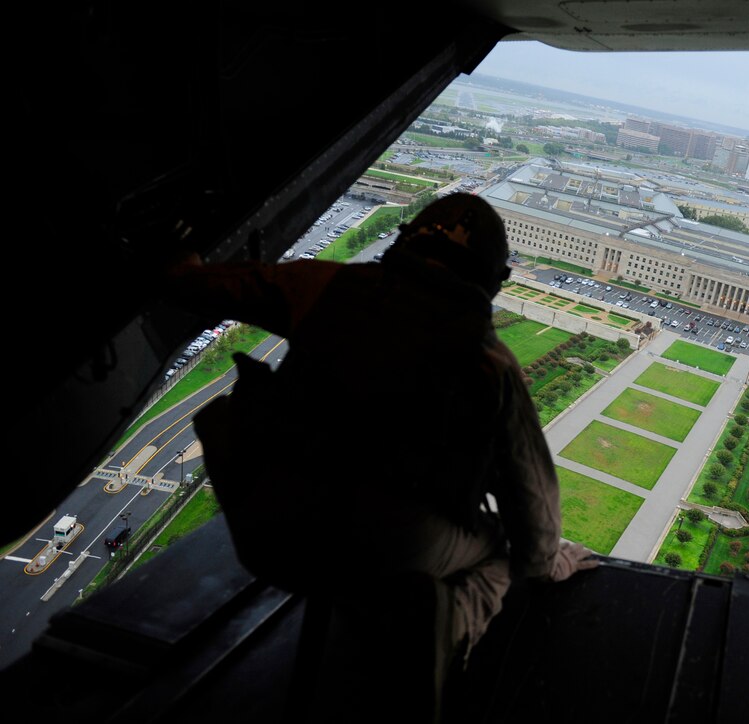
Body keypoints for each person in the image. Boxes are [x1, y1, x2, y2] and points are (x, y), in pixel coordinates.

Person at [164, 193, 597, 720]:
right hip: (379, 557)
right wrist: (555, 563)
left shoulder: (322, 287)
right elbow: (536, 521)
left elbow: (200, 285)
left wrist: (181, 258)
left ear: (406, 240)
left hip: (265, 535)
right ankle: (446, 629)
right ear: (490, 278)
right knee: (503, 551)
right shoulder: (489, 364)